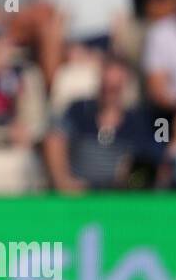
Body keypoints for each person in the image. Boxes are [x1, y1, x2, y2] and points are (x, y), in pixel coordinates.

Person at [44, 55, 160, 192]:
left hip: (119, 197)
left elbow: (153, 160)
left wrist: (130, 176)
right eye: (106, 86)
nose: (109, 93)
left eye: (115, 88)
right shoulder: (79, 110)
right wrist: (63, 180)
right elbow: (54, 139)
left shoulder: (138, 121)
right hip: (77, 194)